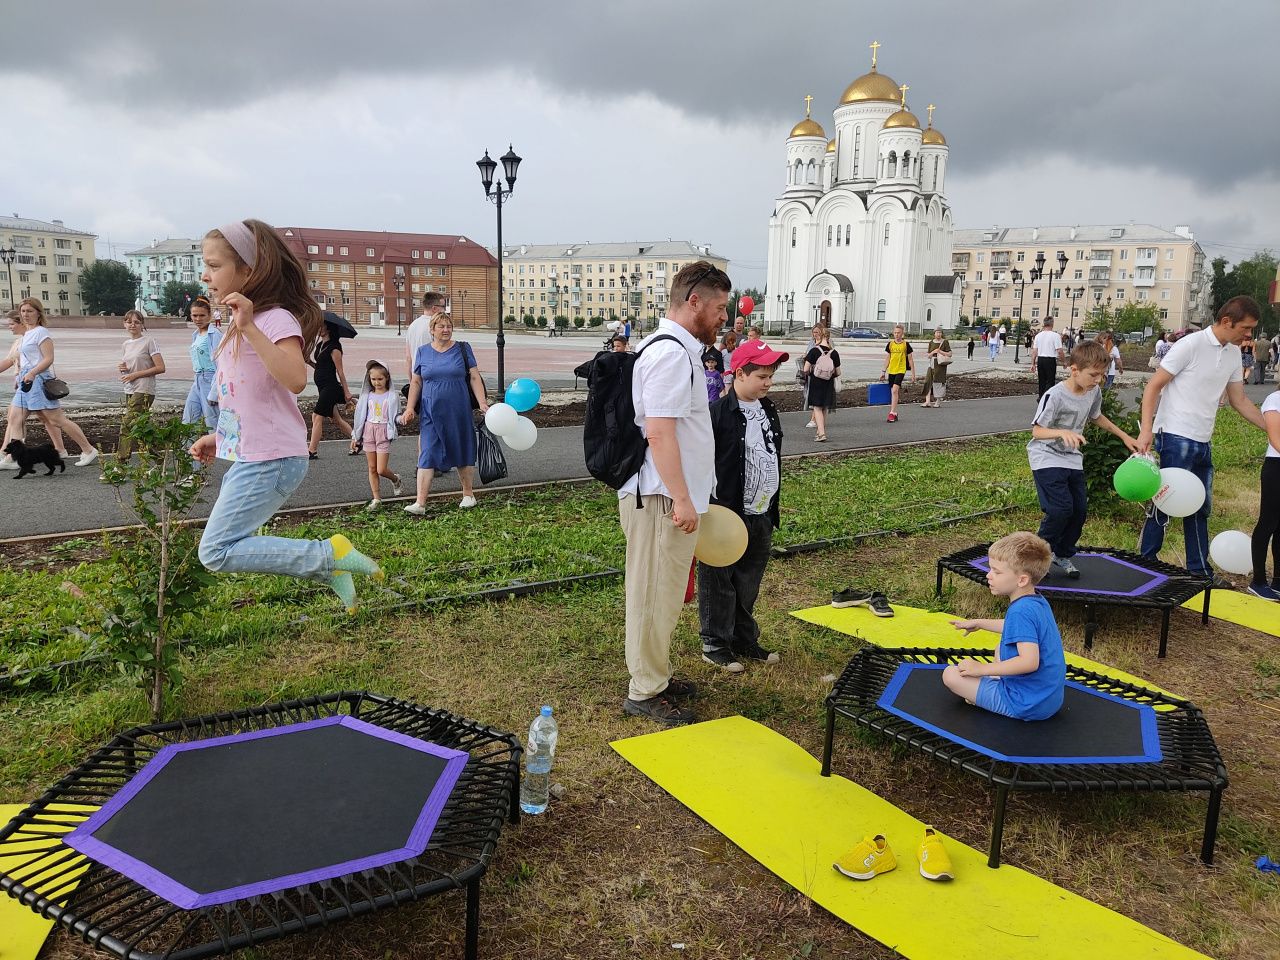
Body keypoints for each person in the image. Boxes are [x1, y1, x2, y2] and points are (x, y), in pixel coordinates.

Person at [191, 219, 382, 614]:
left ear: (248, 269)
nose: (205, 275)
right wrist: (220, 437)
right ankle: (330, 567)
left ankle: (327, 557)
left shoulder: (275, 319)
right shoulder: (234, 322)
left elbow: (295, 379)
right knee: (221, 545)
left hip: (273, 458)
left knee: (215, 550)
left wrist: (249, 328)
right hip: (254, 454)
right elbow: (239, 396)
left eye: (213, 265)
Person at [619, 260, 729, 726]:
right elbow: (659, 434)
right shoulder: (669, 353)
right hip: (660, 498)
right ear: (694, 302)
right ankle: (644, 690)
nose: (726, 317)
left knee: (663, 594)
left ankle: (656, 675)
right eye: (721, 308)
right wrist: (683, 499)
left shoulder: (680, 349)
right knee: (650, 593)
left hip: (669, 495)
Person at [1137, 296, 1271, 583]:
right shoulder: (1190, 345)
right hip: (1174, 434)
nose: (1249, 335)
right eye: (1246, 328)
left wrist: (1272, 430)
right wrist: (1146, 430)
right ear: (1226, 321)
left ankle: (1198, 572)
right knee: (1166, 501)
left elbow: (1240, 400)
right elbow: (1154, 386)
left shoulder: (1234, 354)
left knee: (1199, 504)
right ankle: (1146, 563)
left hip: (1202, 439)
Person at [698, 339, 788, 673]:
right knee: (719, 578)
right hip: (726, 512)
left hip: (761, 511)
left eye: (770, 375)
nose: (768, 382)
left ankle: (743, 637)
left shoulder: (768, 409)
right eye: (761, 375)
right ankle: (715, 642)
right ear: (739, 373)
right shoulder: (718, 414)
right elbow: (702, 460)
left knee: (749, 578)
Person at [1029, 341, 1141, 577]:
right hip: (1046, 457)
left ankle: (1062, 554)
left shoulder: (1093, 392)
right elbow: (1037, 431)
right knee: (1060, 510)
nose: (1098, 380)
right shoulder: (1055, 395)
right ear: (1074, 369)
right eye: (1093, 375)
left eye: (1101, 375)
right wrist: (1062, 432)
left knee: (1079, 511)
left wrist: (1124, 437)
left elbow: (1097, 416)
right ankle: (1036, 556)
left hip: (1071, 459)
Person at [944, 531, 1066, 721]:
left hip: (1024, 704)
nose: (988, 575)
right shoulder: (1036, 601)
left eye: (997, 572)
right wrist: (979, 623)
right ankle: (994, 682)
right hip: (1048, 699)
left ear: (1022, 579)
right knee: (1001, 646)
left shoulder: (1020, 611)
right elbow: (1017, 629)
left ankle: (987, 694)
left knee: (951, 674)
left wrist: (980, 669)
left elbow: (1029, 662)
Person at [398, 312, 489, 513]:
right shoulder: (422, 352)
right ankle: (420, 503)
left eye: (449, 326)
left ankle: (468, 494)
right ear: (432, 330)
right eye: (441, 326)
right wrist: (410, 407)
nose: (446, 330)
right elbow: (416, 381)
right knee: (427, 452)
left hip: (458, 408)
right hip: (430, 411)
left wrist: (482, 403)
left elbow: (474, 377)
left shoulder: (463, 349)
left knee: (461, 448)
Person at [5, 298, 98, 467]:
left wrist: (32, 373)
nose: (25, 315)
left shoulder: (41, 332)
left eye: (30, 311)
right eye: (23, 311)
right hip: (25, 381)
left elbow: (49, 359)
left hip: (37, 379)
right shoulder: (27, 333)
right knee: (15, 418)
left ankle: (88, 450)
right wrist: (21, 376)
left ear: (38, 313)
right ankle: (14, 459)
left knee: (56, 420)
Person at [1, 310, 65, 467]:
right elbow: (10, 361)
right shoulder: (20, 341)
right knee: (18, 417)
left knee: (47, 418)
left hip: (32, 382)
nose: (9, 327)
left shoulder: (33, 336)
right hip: (25, 383)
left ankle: (9, 454)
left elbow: (43, 360)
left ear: (21, 323)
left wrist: (28, 375)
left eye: (11, 324)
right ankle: (8, 453)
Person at [350, 360, 402, 510]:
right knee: (372, 468)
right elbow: (360, 417)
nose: (377, 382)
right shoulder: (367, 396)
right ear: (369, 379)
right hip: (368, 432)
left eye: (380, 379)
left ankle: (395, 479)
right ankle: (376, 498)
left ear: (387, 378)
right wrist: (355, 436)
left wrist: (403, 418)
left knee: (381, 469)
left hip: (383, 433)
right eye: (373, 379)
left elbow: (395, 416)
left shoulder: (392, 396)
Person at [116, 309, 166, 459]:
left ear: (142, 324)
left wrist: (135, 374)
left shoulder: (149, 341)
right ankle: (159, 458)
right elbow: (132, 367)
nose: (133, 325)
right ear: (124, 324)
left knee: (127, 424)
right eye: (129, 322)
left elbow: (160, 367)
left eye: (137, 322)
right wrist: (123, 369)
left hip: (144, 389)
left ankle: (120, 463)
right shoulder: (125, 344)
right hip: (130, 388)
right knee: (142, 427)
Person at [1248, 383, 1280, 600]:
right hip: (1276, 467)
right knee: (1268, 522)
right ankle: (1258, 581)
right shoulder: (1275, 399)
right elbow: (1275, 439)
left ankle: (1278, 581)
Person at [306, 322, 353, 459]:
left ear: (329, 329)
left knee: (317, 416)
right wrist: (309, 362)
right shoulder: (320, 345)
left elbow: (340, 372)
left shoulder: (335, 348)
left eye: (322, 326)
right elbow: (321, 368)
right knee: (336, 419)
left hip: (330, 387)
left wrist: (347, 391)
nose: (319, 329)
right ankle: (358, 440)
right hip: (322, 387)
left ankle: (312, 450)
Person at [182, 296, 221, 430]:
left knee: (212, 421)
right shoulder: (196, 334)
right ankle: (188, 450)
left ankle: (217, 448)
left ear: (209, 315)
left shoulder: (214, 334)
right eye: (195, 315)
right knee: (189, 418)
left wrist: (215, 391)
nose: (198, 319)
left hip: (210, 379)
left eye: (202, 315)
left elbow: (221, 364)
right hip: (198, 379)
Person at [803, 324, 840, 441]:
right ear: (828, 338)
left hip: (816, 382)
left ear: (821, 336)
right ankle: (819, 431)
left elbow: (805, 369)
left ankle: (822, 434)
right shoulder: (834, 353)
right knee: (824, 407)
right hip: (828, 383)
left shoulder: (814, 351)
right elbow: (838, 372)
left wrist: (813, 372)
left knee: (817, 408)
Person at [404, 292, 448, 388]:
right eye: (443, 306)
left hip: (416, 377)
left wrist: (411, 382)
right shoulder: (437, 326)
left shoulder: (412, 325)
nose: (445, 310)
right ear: (434, 308)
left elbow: (408, 357)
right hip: (432, 379)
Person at [878, 323, 915, 423]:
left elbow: (911, 360)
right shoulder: (890, 344)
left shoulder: (906, 345)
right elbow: (888, 358)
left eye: (898, 333)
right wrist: (883, 371)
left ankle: (892, 412)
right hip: (892, 370)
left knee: (894, 390)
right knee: (893, 392)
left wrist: (913, 374)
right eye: (895, 333)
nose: (896, 334)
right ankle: (895, 413)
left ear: (902, 334)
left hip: (901, 370)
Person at [1029, 317, 1065, 400]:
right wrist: (1064, 362)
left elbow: (1034, 351)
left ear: (1044, 323)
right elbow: (1059, 351)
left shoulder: (1038, 336)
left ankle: (1041, 397)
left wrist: (1033, 363)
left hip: (1040, 359)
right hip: (1050, 360)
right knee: (1050, 381)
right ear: (1052, 324)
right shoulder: (1055, 336)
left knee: (1042, 381)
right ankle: (1045, 398)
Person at [920, 327, 951, 408]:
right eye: (937, 332)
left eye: (940, 332)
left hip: (940, 364)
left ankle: (938, 401)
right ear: (934, 333)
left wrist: (940, 351)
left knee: (938, 382)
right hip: (931, 364)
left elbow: (950, 354)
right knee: (928, 381)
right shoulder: (931, 342)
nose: (938, 334)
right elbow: (928, 355)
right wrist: (933, 352)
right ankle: (927, 401)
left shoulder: (945, 342)